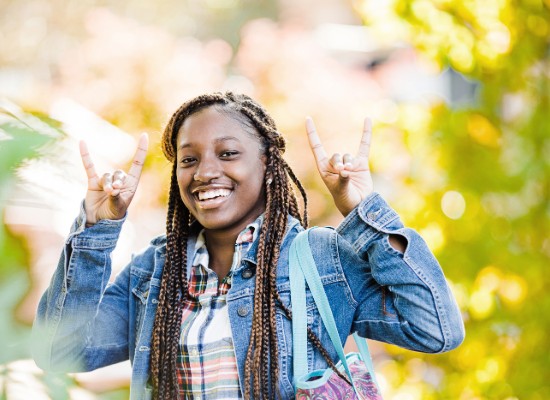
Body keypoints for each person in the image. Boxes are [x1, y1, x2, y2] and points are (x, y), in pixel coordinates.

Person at [32, 92, 465, 400]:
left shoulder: (321, 258)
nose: (204, 172)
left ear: (269, 167)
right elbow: (58, 350)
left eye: (227, 153)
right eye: (189, 159)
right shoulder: (154, 272)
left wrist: (364, 212)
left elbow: (436, 329)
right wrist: (96, 229)